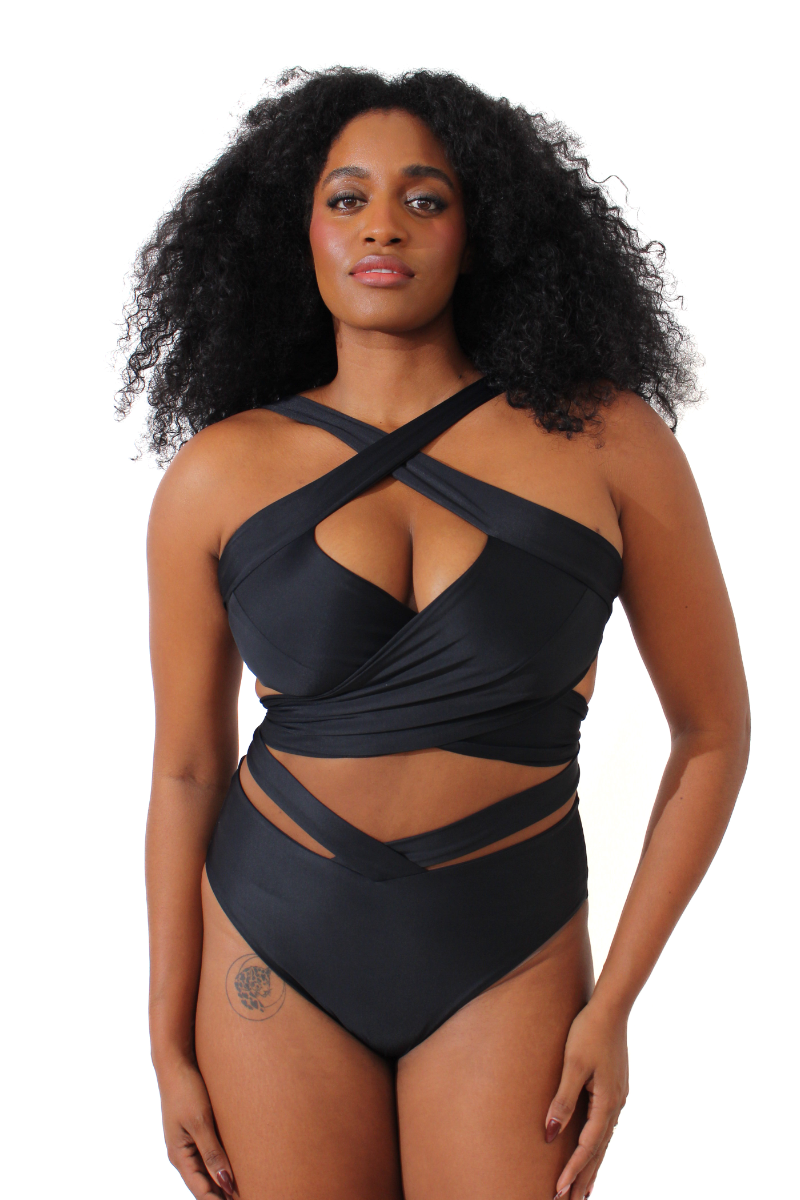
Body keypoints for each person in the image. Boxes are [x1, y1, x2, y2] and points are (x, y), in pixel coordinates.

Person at [119, 67, 749, 1200]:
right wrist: (164, 1042)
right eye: (346, 198)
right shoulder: (217, 473)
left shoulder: (606, 442)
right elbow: (186, 767)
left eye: (424, 198)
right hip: (272, 937)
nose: (382, 227)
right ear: (297, 230)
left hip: (509, 943)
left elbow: (711, 734)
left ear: (481, 227)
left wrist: (615, 1004)